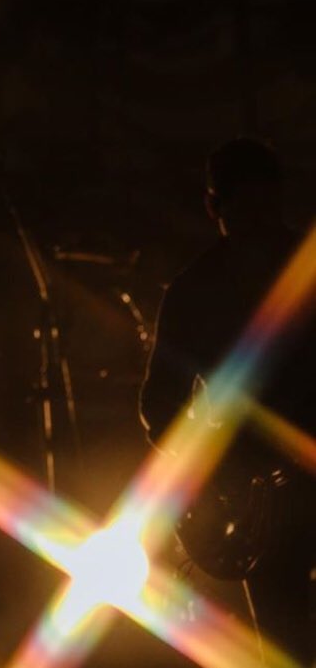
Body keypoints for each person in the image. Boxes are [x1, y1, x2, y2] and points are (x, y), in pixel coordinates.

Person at [139, 135, 314, 665]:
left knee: (282, 640)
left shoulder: (193, 288)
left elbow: (159, 407)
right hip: (261, 496)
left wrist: (211, 475)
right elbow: (160, 406)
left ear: (211, 204)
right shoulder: (196, 290)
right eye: (252, 207)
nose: (260, 222)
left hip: (258, 492)